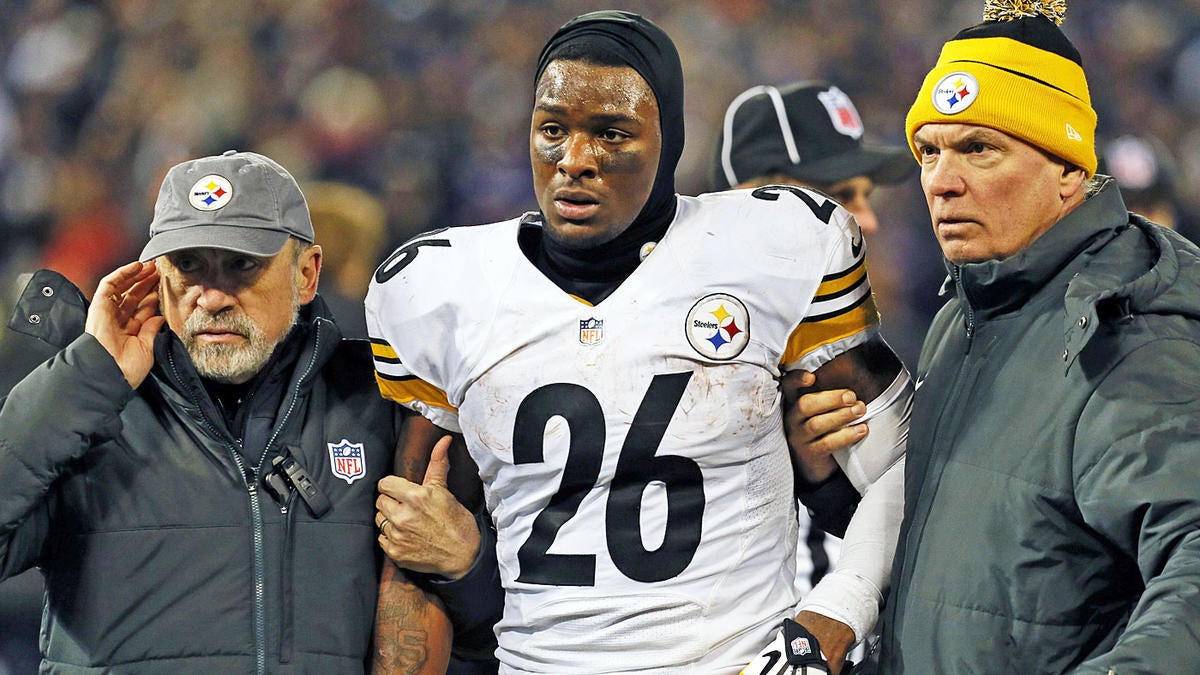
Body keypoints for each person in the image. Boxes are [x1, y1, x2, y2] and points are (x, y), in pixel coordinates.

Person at [366, 11, 912, 674]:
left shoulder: (769, 250)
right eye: (552, 130)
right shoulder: (441, 288)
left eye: (610, 133)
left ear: (669, 141)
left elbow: (909, 469)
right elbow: (416, 551)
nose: (574, 161)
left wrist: (830, 614)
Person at [0, 150, 494, 673]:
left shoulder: (380, 403)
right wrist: (87, 375)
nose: (211, 297)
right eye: (188, 265)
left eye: (241, 265)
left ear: (306, 274)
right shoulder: (88, 408)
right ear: (155, 276)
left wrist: (467, 567)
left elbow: (506, 636)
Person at [873, 0, 1200, 671]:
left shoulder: (1123, 329)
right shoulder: (964, 314)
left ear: (1069, 170)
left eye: (978, 149)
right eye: (929, 150)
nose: (941, 181)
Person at [712, 80, 916, 601]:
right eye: (842, 197)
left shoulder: (876, 348)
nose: (865, 220)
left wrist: (820, 482)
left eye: (865, 197)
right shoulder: (670, 349)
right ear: (759, 202)